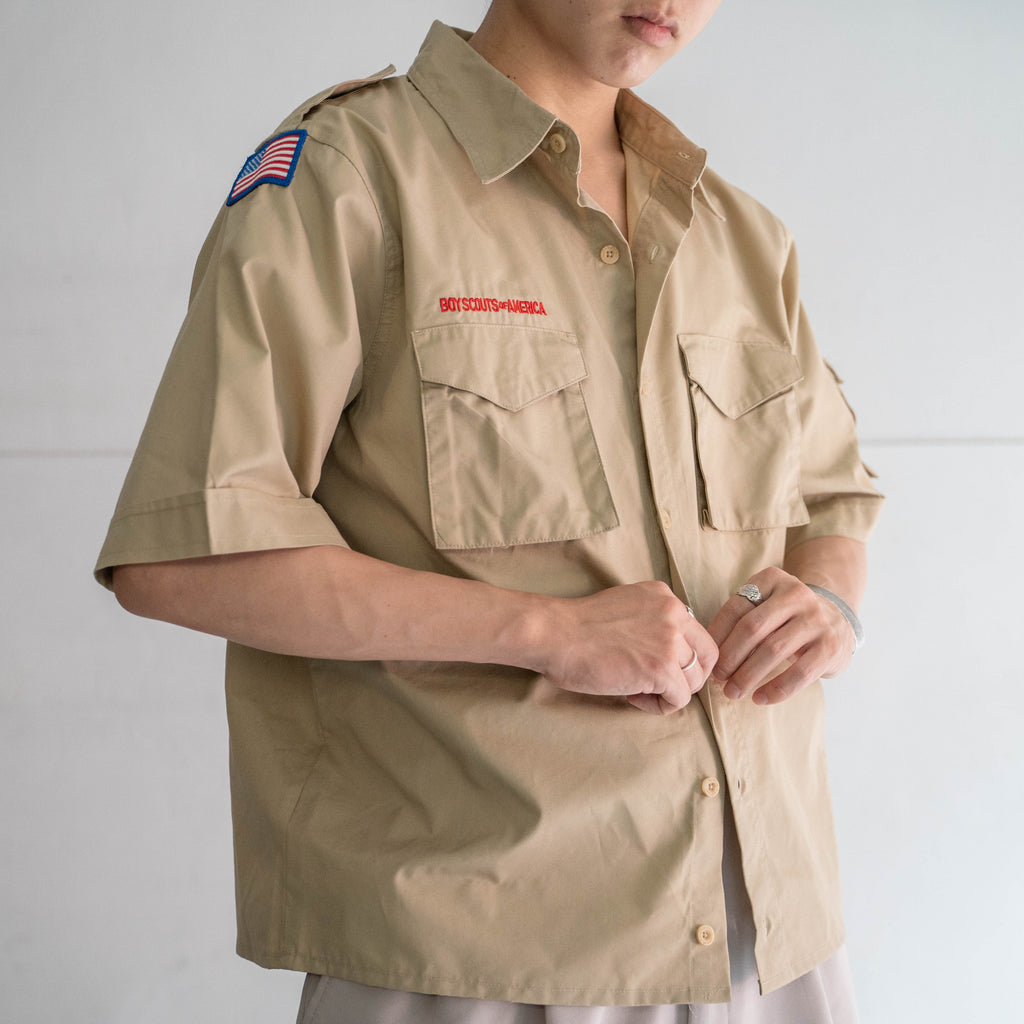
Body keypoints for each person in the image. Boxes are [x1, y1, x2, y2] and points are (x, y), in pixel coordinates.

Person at [95, 2, 883, 1021]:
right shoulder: (350, 175)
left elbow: (834, 494)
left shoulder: (738, 232)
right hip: (477, 953)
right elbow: (183, 553)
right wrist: (547, 632)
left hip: (768, 944)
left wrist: (829, 603)